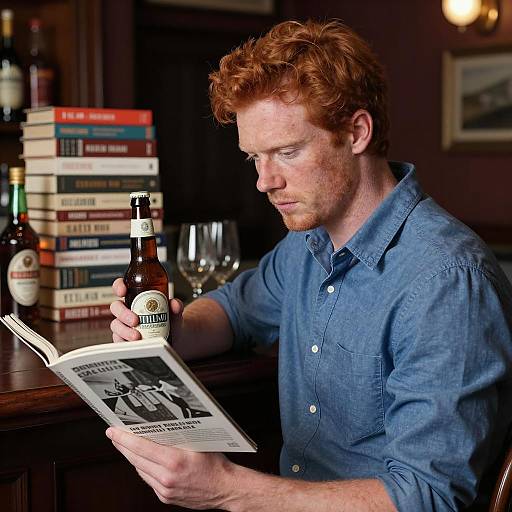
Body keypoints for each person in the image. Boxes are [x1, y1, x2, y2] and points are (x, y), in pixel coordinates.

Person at [108, 19, 512, 511]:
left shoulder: (447, 281)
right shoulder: (306, 243)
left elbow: (428, 498)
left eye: (287, 152)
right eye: (254, 157)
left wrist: (228, 488)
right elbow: (235, 310)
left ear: (357, 132)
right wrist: (170, 329)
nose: (264, 181)